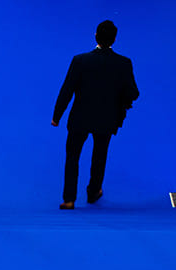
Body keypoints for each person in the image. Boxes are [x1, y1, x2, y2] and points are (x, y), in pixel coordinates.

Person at [52, 20, 140, 209]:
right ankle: (93, 192)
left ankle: (69, 199)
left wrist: (56, 116)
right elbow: (133, 93)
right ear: (114, 39)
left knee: (72, 156)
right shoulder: (124, 63)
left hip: (79, 118)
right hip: (107, 119)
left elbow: (67, 90)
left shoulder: (80, 60)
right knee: (100, 156)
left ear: (95, 36)